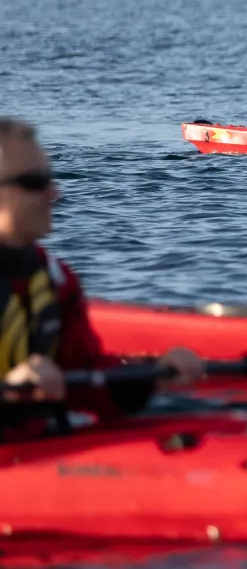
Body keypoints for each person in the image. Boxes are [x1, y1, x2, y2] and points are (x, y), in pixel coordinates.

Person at [1, 118, 204, 439]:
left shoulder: (54, 278)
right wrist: (9, 390)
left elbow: (87, 379)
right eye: (35, 182)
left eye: (50, 179)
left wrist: (153, 376)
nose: (55, 193)